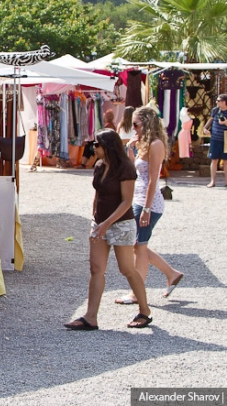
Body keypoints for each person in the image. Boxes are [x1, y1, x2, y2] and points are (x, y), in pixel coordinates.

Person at [65, 129, 153, 331]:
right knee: (96, 269)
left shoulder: (125, 168)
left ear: (108, 146)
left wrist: (106, 224)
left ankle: (144, 310)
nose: (93, 148)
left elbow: (126, 202)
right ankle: (90, 316)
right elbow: (98, 194)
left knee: (127, 269)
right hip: (100, 222)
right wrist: (94, 219)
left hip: (121, 223)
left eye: (96, 144)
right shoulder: (99, 165)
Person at [116, 106, 184, 304]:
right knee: (139, 245)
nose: (133, 128)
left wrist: (146, 208)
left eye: (136, 124)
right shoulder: (143, 144)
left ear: (146, 123)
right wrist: (130, 148)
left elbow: (154, 179)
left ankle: (137, 293)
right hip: (140, 198)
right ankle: (170, 273)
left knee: (139, 246)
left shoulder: (155, 144)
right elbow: (132, 170)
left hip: (149, 201)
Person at [204, 94, 227, 188]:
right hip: (215, 138)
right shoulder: (215, 110)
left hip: (226, 140)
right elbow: (210, 120)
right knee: (214, 160)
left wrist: (226, 123)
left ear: (224, 102)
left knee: (226, 161)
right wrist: (205, 128)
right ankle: (212, 181)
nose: (217, 102)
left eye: (219, 101)